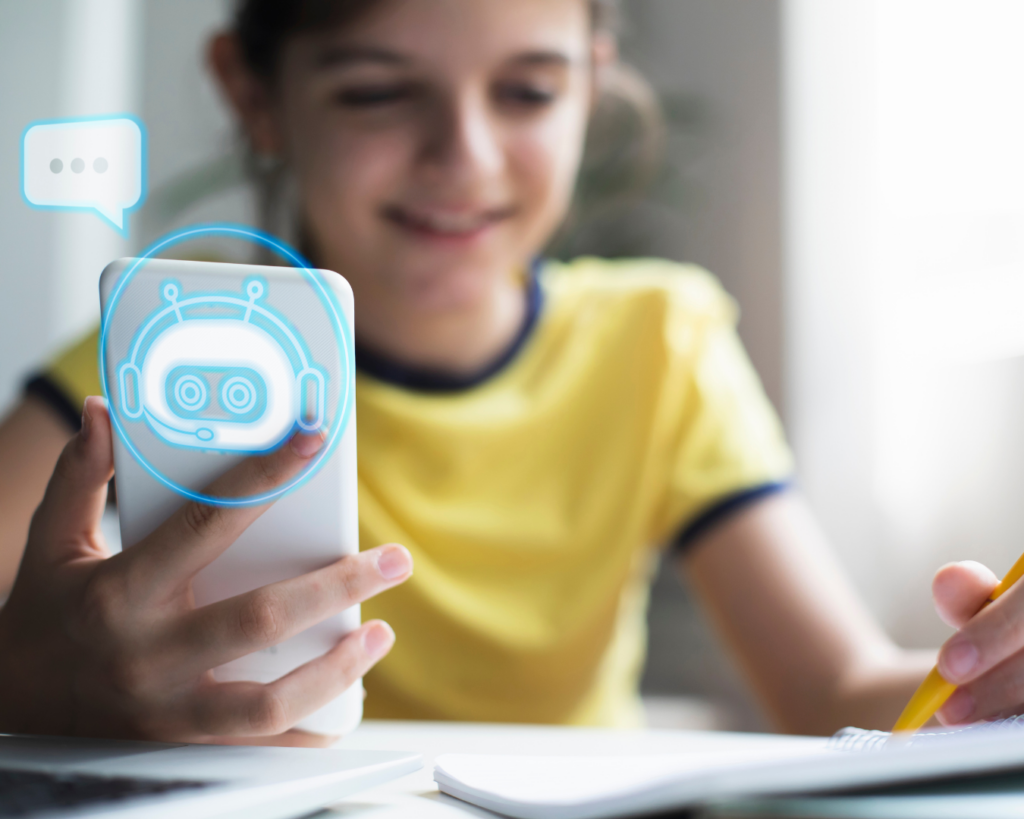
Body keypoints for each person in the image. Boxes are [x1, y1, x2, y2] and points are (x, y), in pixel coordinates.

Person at [0, 0, 1016, 745]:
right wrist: (34, 679)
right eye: (377, 92)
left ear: (590, 87)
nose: (465, 155)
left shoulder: (660, 341)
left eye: (528, 91)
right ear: (251, 93)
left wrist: (984, 684)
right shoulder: (151, 351)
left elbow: (832, 688)